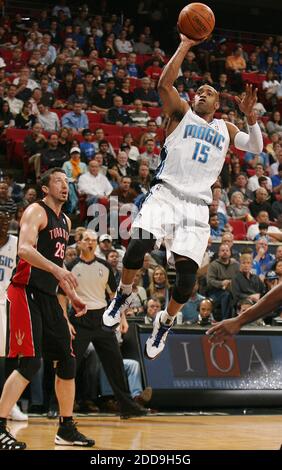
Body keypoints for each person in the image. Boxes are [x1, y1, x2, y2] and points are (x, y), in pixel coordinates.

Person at [102, 33, 263, 360]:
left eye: (209, 93)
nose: (202, 94)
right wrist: (187, 44)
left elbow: (257, 147)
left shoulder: (226, 129)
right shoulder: (180, 113)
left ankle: (166, 320)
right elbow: (164, 84)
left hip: (197, 207)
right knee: (138, 245)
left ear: (217, 105)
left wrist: (250, 118)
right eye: (199, 91)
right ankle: (124, 293)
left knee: (187, 280)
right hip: (166, 194)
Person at [0, 168, 94, 450]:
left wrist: (72, 294)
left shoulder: (64, 220)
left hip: (48, 295)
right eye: (58, 181)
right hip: (24, 292)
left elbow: (57, 264)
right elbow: (25, 250)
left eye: (67, 183)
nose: (64, 186)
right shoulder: (35, 211)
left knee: (67, 359)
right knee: (30, 362)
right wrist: (58, 272)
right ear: (44, 188)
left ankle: (66, 428)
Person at [63, 229, 148, 418]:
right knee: (70, 364)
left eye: (93, 240)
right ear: (79, 243)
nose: (90, 243)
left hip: (102, 321)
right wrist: (65, 321)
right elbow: (61, 296)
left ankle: (127, 406)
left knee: (115, 364)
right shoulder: (70, 266)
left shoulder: (105, 266)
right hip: (79, 320)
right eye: (86, 240)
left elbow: (115, 296)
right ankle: (56, 405)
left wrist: (122, 318)